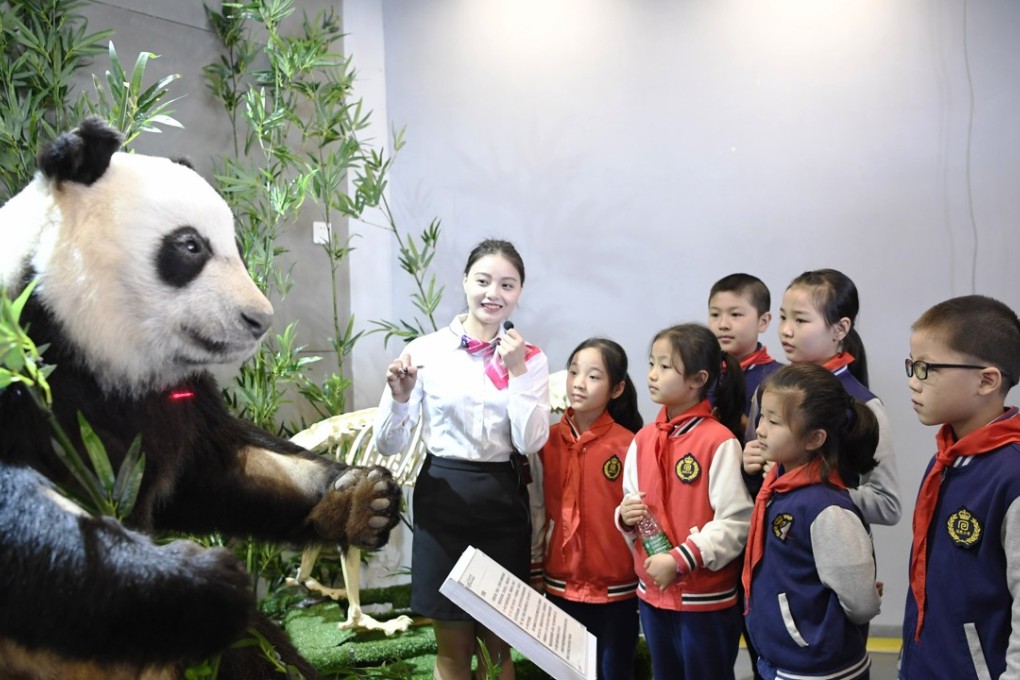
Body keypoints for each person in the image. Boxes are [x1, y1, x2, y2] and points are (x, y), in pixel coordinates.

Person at [374, 239, 550, 680]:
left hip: (502, 500)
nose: (494, 293)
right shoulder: (425, 350)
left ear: (519, 293)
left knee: (498, 651)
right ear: (465, 283)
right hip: (443, 499)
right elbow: (388, 444)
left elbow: (530, 442)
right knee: (451, 650)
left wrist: (517, 373)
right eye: (484, 280)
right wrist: (400, 399)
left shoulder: (530, 358)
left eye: (507, 285)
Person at [616, 323, 752, 680]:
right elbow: (631, 502)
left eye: (664, 366)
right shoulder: (643, 439)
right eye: (651, 364)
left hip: (704, 600)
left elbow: (736, 522)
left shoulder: (718, 441)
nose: (652, 375)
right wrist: (625, 516)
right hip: (653, 595)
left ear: (697, 379)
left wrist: (679, 560)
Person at [900, 295, 1020, 679]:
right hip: (926, 663)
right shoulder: (949, 456)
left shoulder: (1010, 473)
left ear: (986, 380)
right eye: (911, 366)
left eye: (926, 369)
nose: (912, 382)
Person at [743, 363, 882, 680]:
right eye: (762, 415)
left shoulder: (826, 508)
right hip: (784, 660)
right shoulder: (779, 485)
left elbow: (861, 604)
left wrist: (862, 593)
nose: (760, 428)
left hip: (819, 668)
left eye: (774, 421)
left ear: (814, 438)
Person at [743, 269, 901, 527]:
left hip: (831, 545)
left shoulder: (864, 404)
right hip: (773, 542)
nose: (786, 331)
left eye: (801, 321)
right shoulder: (771, 387)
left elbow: (887, 505)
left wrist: (809, 491)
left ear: (840, 329)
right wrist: (748, 469)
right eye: (783, 317)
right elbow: (758, 474)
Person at [540, 338, 643, 680]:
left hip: (616, 591)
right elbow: (537, 509)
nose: (579, 383)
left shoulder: (630, 445)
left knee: (615, 672)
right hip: (558, 585)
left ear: (617, 389)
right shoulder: (545, 440)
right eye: (573, 372)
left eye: (593, 376)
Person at [708, 273, 784, 416]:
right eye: (715, 315)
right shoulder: (699, 373)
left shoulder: (781, 379)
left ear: (763, 322)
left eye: (735, 314)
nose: (723, 325)